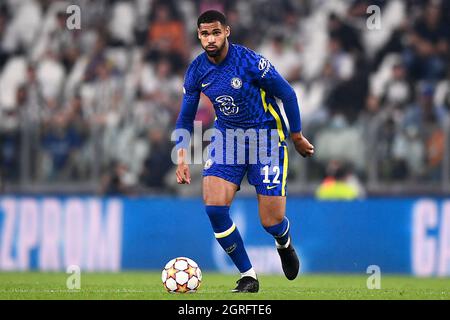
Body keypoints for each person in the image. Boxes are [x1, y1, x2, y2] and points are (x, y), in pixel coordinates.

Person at [174, 10, 314, 293]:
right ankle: (248, 275)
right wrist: (181, 155)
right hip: (228, 140)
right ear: (198, 36)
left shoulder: (250, 62)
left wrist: (296, 134)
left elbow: (286, 93)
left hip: (266, 140)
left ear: (227, 31)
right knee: (214, 207)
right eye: (204, 34)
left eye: (215, 32)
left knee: (270, 220)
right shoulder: (197, 70)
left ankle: (283, 240)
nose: (210, 39)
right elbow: (185, 118)